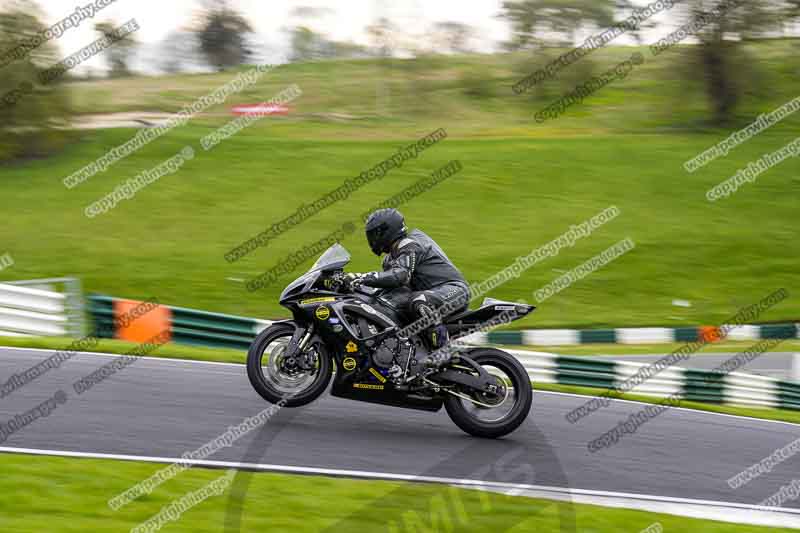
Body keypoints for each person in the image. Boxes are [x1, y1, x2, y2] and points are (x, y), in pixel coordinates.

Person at [346, 208, 470, 369]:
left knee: (420, 301)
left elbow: (400, 276)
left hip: (455, 290)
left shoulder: (410, 244)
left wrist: (363, 278)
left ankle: (445, 351)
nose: (372, 239)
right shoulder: (390, 258)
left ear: (388, 230)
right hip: (434, 294)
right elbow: (393, 288)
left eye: (376, 234)